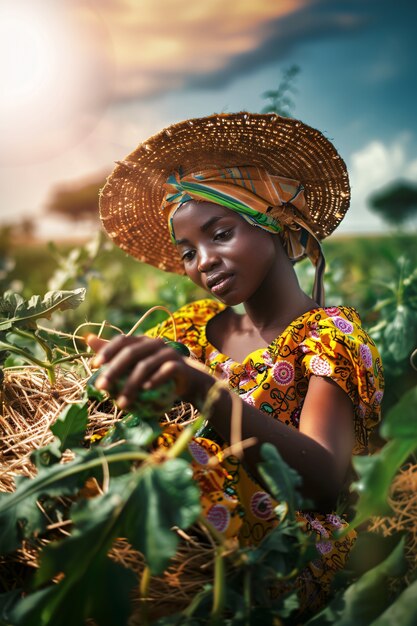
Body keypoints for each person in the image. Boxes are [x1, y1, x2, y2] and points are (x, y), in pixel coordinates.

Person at [87, 112, 384, 614]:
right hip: (187, 534)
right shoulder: (191, 327)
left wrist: (205, 392)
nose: (202, 261)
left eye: (219, 234)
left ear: (275, 223)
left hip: (281, 554)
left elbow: (324, 482)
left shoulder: (330, 336)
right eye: (187, 251)